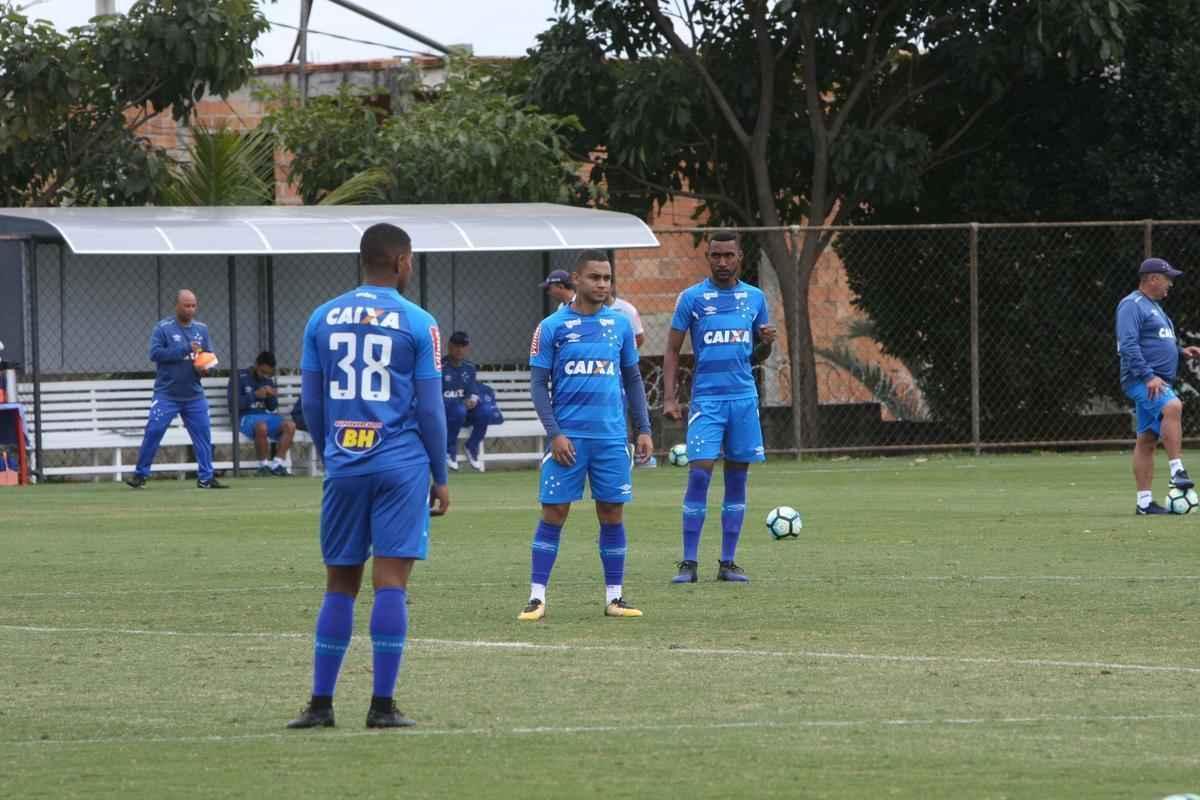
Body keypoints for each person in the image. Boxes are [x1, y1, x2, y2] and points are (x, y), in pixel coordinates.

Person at [287, 223, 450, 730]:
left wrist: (330, 447)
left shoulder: (321, 317)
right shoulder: (418, 321)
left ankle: (320, 705)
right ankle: (382, 706)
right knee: (391, 583)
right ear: (401, 261)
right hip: (400, 464)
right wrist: (440, 475)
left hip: (345, 464)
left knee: (340, 582)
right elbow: (430, 410)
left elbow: (311, 401)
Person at [518, 250, 653, 621]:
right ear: (576, 280)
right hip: (570, 440)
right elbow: (537, 385)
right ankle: (536, 598)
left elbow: (633, 379)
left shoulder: (620, 325)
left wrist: (643, 428)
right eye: (595, 277)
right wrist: (556, 434)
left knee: (611, 513)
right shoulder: (551, 327)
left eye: (607, 278)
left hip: (611, 439)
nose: (603, 284)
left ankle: (615, 598)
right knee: (554, 512)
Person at [662, 231, 776, 583]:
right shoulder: (692, 299)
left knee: (737, 479)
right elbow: (671, 350)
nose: (722, 262)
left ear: (740, 256)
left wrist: (767, 345)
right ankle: (689, 563)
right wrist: (669, 397)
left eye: (729, 255)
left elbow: (757, 356)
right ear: (707, 257)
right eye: (716, 255)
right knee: (699, 475)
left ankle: (727, 563)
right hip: (707, 401)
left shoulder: (755, 299)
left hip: (742, 399)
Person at [1116, 257, 1200, 514]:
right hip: (1143, 380)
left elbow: (1156, 340)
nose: (1170, 284)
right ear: (1152, 278)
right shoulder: (1132, 305)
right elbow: (1128, 345)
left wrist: (1181, 352)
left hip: (1156, 380)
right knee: (1173, 405)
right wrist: (1148, 376)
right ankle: (1177, 471)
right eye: (1168, 279)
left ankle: (1144, 504)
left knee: (1147, 440)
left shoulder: (1154, 307)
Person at [125, 289, 227, 490]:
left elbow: (209, 358)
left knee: (203, 435)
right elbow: (155, 354)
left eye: (193, 305)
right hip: (167, 394)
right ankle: (140, 475)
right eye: (186, 305)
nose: (191, 309)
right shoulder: (163, 328)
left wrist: (205, 369)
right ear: (177, 306)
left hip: (194, 395)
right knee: (154, 431)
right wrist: (185, 349)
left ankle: (206, 478)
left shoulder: (202, 329)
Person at [228, 351, 297, 476]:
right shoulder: (239, 376)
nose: (264, 376)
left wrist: (272, 396)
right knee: (261, 426)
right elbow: (233, 405)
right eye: (262, 372)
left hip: (265, 416)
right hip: (245, 417)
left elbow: (272, 407)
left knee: (290, 425)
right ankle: (263, 466)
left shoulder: (268, 380)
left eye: (268, 374)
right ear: (256, 365)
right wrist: (254, 395)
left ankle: (277, 464)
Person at [442, 331, 488, 472]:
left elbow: (473, 390)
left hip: (464, 411)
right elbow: (434, 395)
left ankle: (471, 446)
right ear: (449, 346)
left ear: (467, 348)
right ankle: (450, 451)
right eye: (456, 345)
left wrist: (473, 399)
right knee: (458, 410)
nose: (459, 349)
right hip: (447, 411)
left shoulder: (469, 367)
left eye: (463, 346)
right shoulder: (440, 367)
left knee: (485, 411)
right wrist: (460, 402)